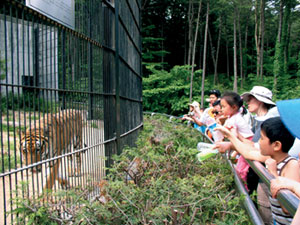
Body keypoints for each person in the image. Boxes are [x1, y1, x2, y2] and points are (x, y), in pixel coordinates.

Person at [215, 117, 300, 224]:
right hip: (276, 220)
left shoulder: (291, 165)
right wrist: (230, 135)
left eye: (262, 138)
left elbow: (288, 208)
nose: (259, 141)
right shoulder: (271, 158)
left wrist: (273, 174)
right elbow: (247, 153)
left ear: (276, 145)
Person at [215, 86, 279, 224]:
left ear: (261, 101)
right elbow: (252, 145)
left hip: (264, 174)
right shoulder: (258, 120)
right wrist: (234, 138)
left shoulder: (268, 122)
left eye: (251, 99)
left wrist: (231, 140)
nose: (247, 102)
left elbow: (254, 149)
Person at [220, 92, 254, 187]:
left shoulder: (234, 119)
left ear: (234, 107)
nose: (222, 109)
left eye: (223, 107)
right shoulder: (234, 117)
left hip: (247, 142)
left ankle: (244, 191)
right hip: (244, 142)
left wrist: (232, 151)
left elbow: (234, 136)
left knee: (241, 169)